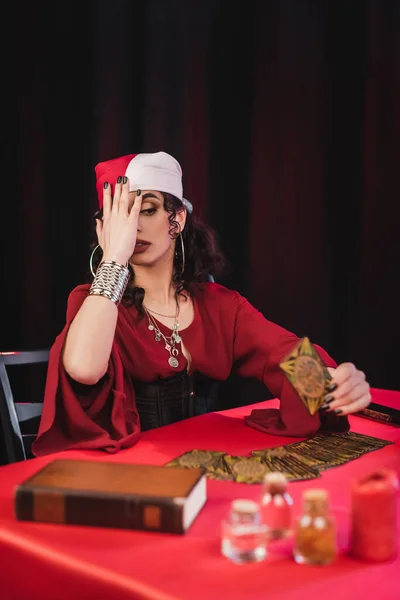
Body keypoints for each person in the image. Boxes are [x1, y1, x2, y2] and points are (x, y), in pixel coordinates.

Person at [32, 151, 371, 456]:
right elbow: (84, 369)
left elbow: (282, 353)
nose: (133, 226)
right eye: (120, 216)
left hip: (205, 468)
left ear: (176, 220)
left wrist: (331, 383)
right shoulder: (92, 304)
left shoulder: (219, 306)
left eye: (147, 210)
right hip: (126, 474)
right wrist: (114, 261)